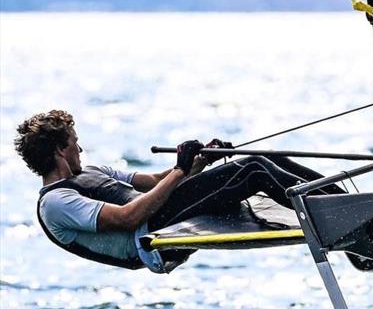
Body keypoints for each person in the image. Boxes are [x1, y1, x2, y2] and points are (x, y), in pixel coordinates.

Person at [14, 109, 347, 274]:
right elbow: (129, 217)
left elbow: (158, 180)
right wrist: (180, 171)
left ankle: (345, 204)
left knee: (265, 162)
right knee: (254, 170)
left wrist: (199, 160)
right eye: (74, 143)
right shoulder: (56, 203)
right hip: (153, 238)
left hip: (163, 213)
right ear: (59, 151)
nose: (80, 148)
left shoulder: (92, 171)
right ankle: (341, 219)